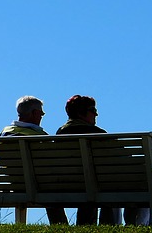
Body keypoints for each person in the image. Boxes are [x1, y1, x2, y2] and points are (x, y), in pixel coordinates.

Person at [0, 96, 68, 225]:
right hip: (39, 186)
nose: (41, 116)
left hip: (14, 185)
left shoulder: (5, 133)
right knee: (51, 186)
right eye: (41, 113)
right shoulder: (40, 137)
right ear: (35, 113)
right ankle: (61, 226)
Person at [55, 95, 117, 226]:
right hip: (98, 186)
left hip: (65, 184)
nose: (96, 114)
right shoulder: (100, 135)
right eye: (93, 110)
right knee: (104, 184)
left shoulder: (60, 134)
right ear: (80, 113)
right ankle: (108, 226)